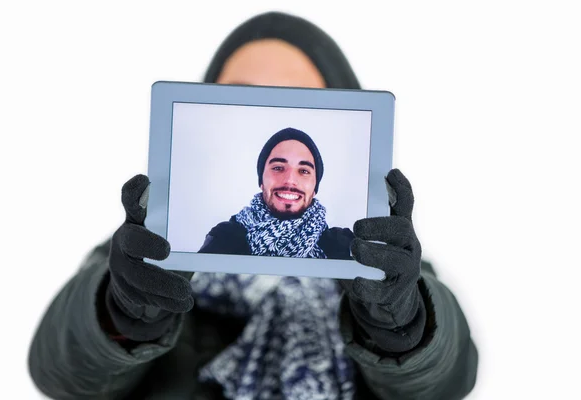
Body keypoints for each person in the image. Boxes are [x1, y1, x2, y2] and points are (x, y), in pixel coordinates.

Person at [28, 11, 478, 400]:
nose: (270, 110)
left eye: (297, 99)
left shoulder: (378, 260)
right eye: (243, 96)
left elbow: (447, 382)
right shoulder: (151, 249)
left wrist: (403, 327)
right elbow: (61, 375)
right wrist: (122, 311)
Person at [198, 126, 354, 260]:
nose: (290, 180)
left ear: (314, 188)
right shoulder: (225, 237)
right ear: (261, 181)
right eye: (278, 168)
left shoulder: (343, 246)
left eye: (304, 171)